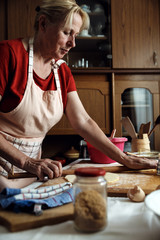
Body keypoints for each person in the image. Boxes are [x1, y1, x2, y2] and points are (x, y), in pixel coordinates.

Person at [0, 0, 157, 191]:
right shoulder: (8, 55)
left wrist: (125, 159)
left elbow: (82, 121)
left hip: (32, 172)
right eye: (67, 33)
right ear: (43, 24)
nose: (72, 43)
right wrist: (27, 162)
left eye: (75, 35)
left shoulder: (62, 71)